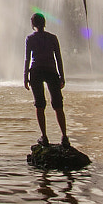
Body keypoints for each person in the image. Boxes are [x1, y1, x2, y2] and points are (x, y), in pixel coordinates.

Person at [23, 13, 68, 147]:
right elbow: (58, 58)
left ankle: (44, 136)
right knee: (58, 104)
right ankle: (64, 137)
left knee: (39, 105)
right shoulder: (53, 38)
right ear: (44, 23)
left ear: (33, 24)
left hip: (36, 71)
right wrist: (62, 76)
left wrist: (25, 76)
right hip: (51, 71)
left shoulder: (30, 38)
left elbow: (27, 59)